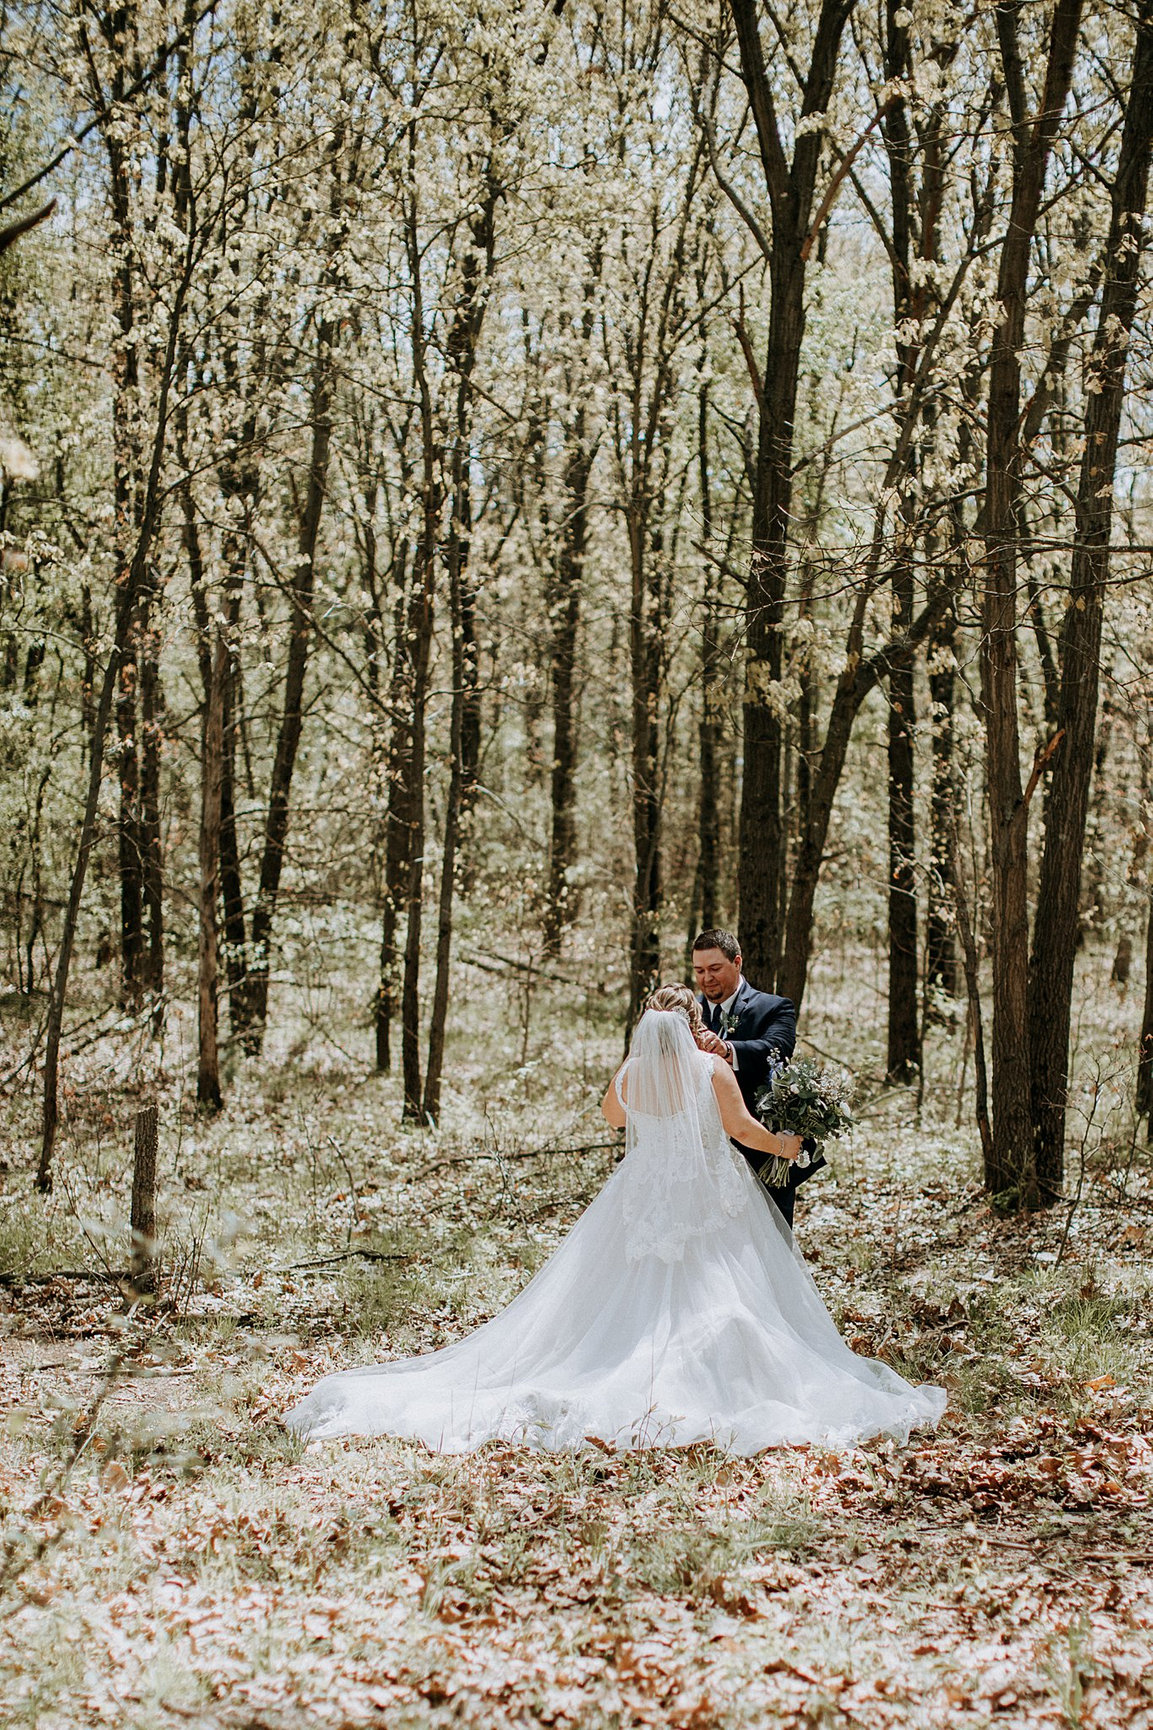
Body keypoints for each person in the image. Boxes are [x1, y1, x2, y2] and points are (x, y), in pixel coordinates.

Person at [285, 986, 945, 1454]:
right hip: (708, 1195)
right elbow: (742, 1129)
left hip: (643, 1192)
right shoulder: (710, 1067)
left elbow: (613, 1119)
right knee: (718, 1285)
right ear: (691, 1024)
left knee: (622, 1290)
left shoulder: (632, 1072)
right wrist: (791, 1145)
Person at [692, 926, 822, 1229]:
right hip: (702, 1156)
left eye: (715, 968)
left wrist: (727, 1049)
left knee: (772, 1243)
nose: (706, 978)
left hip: (762, 1149)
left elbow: (776, 1048)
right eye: (699, 970)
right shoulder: (687, 1013)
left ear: (737, 962)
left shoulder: (774, 1007)